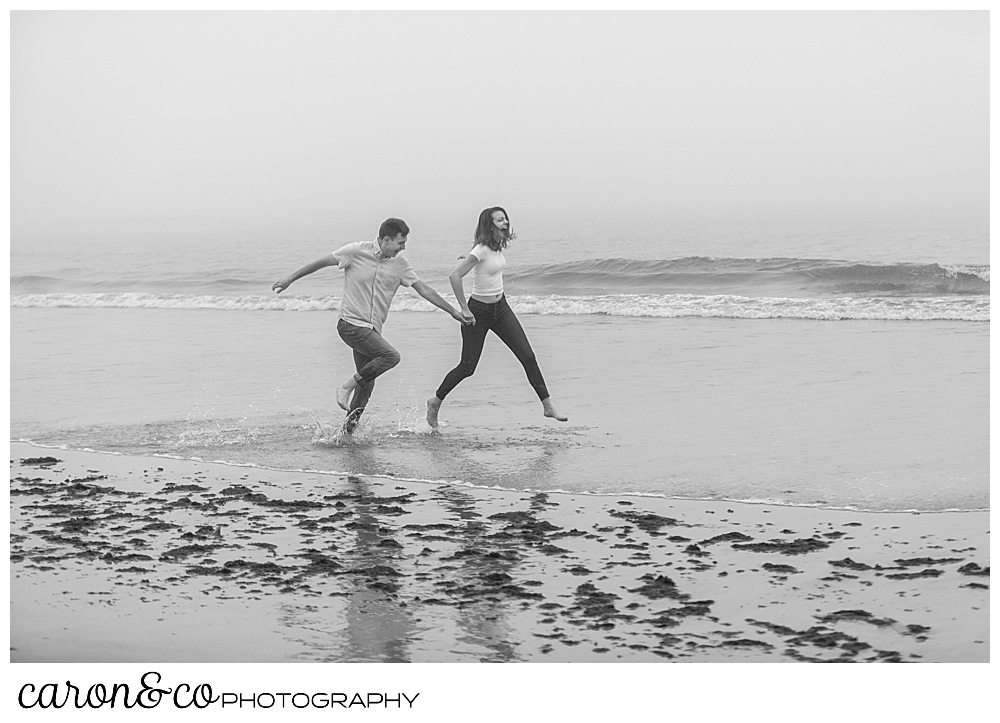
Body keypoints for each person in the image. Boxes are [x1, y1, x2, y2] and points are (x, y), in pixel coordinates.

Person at [273, 217, 469, 433]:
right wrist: (289, 279)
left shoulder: (400, 264)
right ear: (386, 240)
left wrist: (453, 311)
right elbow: (319, 264)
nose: (402, 248)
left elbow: (424, 289)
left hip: (372, 329)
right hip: (350, 324)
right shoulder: (355, 251)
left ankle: (346, 433)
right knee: (391, 356)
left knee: (367, 381)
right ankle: (346, 386)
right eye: (400, 243)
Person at [426, 207, 567, 428]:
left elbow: (483, 263)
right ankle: (435, 402)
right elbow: (455, 276)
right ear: (489, 225)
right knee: (467, 367)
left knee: (528, 357)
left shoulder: (495, 247)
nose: (505, 222)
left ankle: (547, 406)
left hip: (501, 309)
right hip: (478, 313)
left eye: (505, 218)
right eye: (499, 220)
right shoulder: (481, 249)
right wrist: (464, 308)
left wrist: (470, 256)